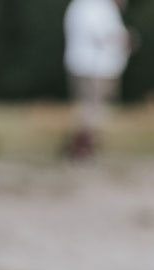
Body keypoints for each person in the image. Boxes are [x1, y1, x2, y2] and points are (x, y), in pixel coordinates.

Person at [63, 0, 133, 159]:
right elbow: (103, 35)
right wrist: (126, 40)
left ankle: (86, 146)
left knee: (90, 110)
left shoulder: (83, 5)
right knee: (91, 111)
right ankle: (83, 148)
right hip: (94, 68)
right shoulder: (95, 6)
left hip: (89, 66)